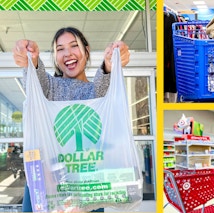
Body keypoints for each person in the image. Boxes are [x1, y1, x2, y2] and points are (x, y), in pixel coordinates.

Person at [13, 27, 130, 212]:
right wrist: (31, 60)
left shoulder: (95, 93)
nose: (67, 53)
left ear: (87, 49)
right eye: (60, 49)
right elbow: (37, 80)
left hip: (87, 187)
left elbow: (103, 84)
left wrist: (110, 62)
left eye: (74, 45)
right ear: (55, 57)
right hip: (47, 187)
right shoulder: (50, 88)